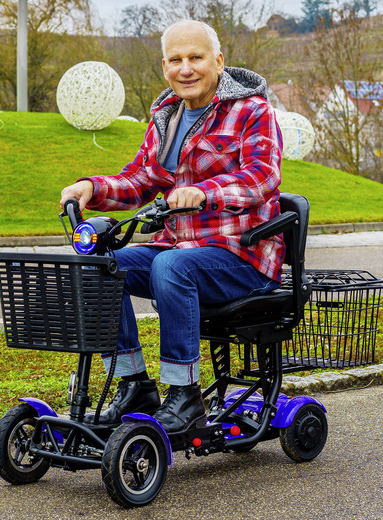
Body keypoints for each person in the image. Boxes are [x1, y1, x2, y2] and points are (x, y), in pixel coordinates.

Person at [60, 19, 284, 434]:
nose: (186, 69)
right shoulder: (166, 116)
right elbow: (141, 180)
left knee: (171, 268)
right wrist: (90, 187)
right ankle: (134, 385)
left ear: (218, 61)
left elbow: (262, 177)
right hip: (179, 248)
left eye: (196, 58)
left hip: (241, 255)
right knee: (98, 266)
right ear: (164, 66)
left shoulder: (253, 111)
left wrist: (206, 192)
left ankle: (185, 397)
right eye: (176, 60)